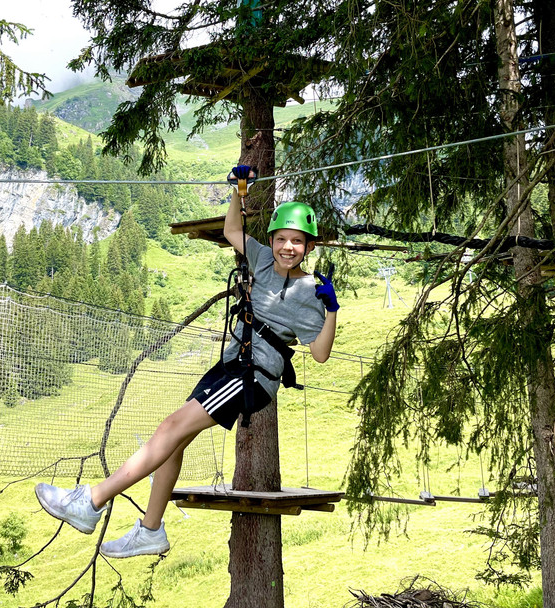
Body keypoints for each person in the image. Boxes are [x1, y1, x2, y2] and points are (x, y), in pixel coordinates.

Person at [33, 165, 340, 558]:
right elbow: (232, 231)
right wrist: (238, 193)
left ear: (309, 247)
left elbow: (320, 354)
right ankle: (150, 530)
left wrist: (331, 311)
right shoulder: (261, 258)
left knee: (169, 427)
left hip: (252, 376)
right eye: (282, 238)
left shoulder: (311, 292)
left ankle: (91, 502)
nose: (288, 247)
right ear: (272, 239)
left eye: (297, 241)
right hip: (232, 366)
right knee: (174, 442)